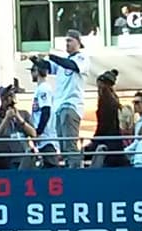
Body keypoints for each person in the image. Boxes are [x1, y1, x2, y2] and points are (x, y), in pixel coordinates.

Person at [46, 30, 89, 167]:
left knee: (70, 144)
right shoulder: (64, 60)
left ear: (78, 42)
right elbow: (47, 67)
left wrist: (52, 56)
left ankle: (75, 173)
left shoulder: (82, 58)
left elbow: (72, 66)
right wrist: (35, 58)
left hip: (71, 105)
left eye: (70, 41)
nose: (67, 44)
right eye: (66, 41)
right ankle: (69, 169)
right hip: (59, 106)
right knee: (63, 145)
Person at [87, 69, 124, 167]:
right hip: (114, 141)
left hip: (108, 143)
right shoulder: (113, 99)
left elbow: (103, 125)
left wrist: (94, 140)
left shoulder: (105, 101)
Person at [31, 59, 59, 166]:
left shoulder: (43, 88)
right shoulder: (41, 88)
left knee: (51, 168)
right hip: (44, 138)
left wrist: (38, 131)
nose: (31, 74)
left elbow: (46, 111)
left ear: (37, 71)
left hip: (46, 137)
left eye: (32, 71)